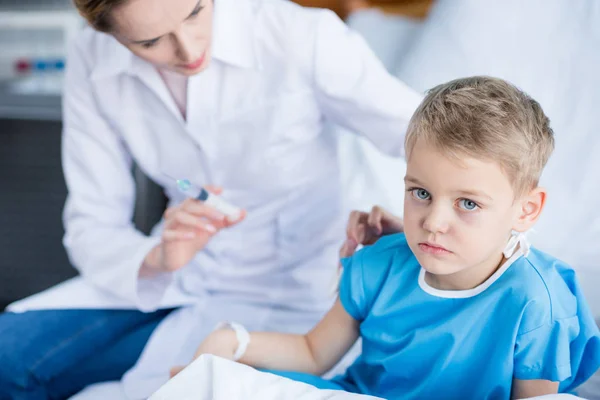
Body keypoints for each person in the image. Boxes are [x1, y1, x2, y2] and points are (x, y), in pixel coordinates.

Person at [0, 0, 423, 398]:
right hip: (180, 286)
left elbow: (436, 141)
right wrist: (159, 259)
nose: (189, 49)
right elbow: (91, 224)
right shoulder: (92, 59)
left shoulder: (298, 36)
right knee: (7, 359)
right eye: (150, 42)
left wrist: (429, 220)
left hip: (305, 297)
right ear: (108, 33)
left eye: (195, 11)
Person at [180, 76, 600, 399]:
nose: (433, 222)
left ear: (525, 210)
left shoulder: (536, 303)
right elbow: (313, 353)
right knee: (215, 384)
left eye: (467, 203)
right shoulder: (378, 264)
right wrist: (234, 342)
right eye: (421, 193)